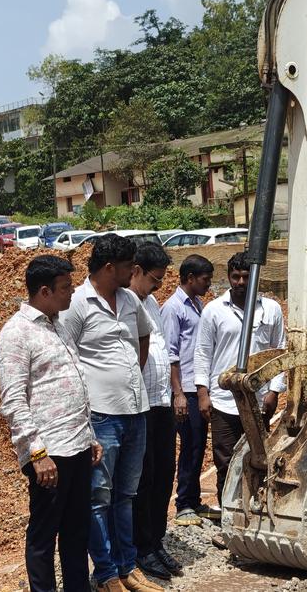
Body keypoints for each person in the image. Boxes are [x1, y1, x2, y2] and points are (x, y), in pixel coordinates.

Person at [59, 234, 160, 592]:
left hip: (136, 410)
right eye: (127, 266)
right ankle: (105, 575)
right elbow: (66, 357)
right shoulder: (77, 305)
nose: (133, 271)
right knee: (98, 497)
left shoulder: (131, 299)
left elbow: (145, 336)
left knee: (126, 495)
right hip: (100, 416)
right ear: (108, 268)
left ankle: (127, 567)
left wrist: (131, 368)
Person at [0, 255, 102, 592]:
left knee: (76, 531)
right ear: (44, 291)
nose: (71, 295)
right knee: (44, 535)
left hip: (78, 446)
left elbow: (74, 383)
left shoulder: (57, 325)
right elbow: (13, 400)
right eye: (65, 288)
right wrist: (37, 453)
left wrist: (91, 435)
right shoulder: (16, 333)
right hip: (50, 453)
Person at [194, 252, 287, 509]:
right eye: (236, 277)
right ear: (229, 278)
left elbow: (279, 351)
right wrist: (203, 393)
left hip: (259, 399)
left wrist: (274, 391)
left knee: (258, 456)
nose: (241, 282)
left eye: (247, 277)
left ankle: (257, 509)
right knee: (225, 460)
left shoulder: (271, 309)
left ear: (256, 278)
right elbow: (202, 353)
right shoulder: (213, 311)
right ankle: (229, 512)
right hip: (224, 400)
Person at [128, 243, 184, 580]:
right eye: (155, 279)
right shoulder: (124, 303)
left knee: (164, 474)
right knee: (143, 480)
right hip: (140, 406)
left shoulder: (150, 302)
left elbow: (164, 349)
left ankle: (156, 539)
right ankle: (141, 546)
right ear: (135, 270)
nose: (159, 286)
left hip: (160, 402)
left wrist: (175, 392)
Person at [162, 255, 216, 527]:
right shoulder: (174, 309)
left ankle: (193, 501)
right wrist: (178, 393)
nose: (208, 284)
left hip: (198, 386)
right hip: (185, 389)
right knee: (189, 446)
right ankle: (183, 503)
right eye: (205, 279)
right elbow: (170, 353)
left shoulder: (197, 304)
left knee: (196, 446)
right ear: (191, 277)